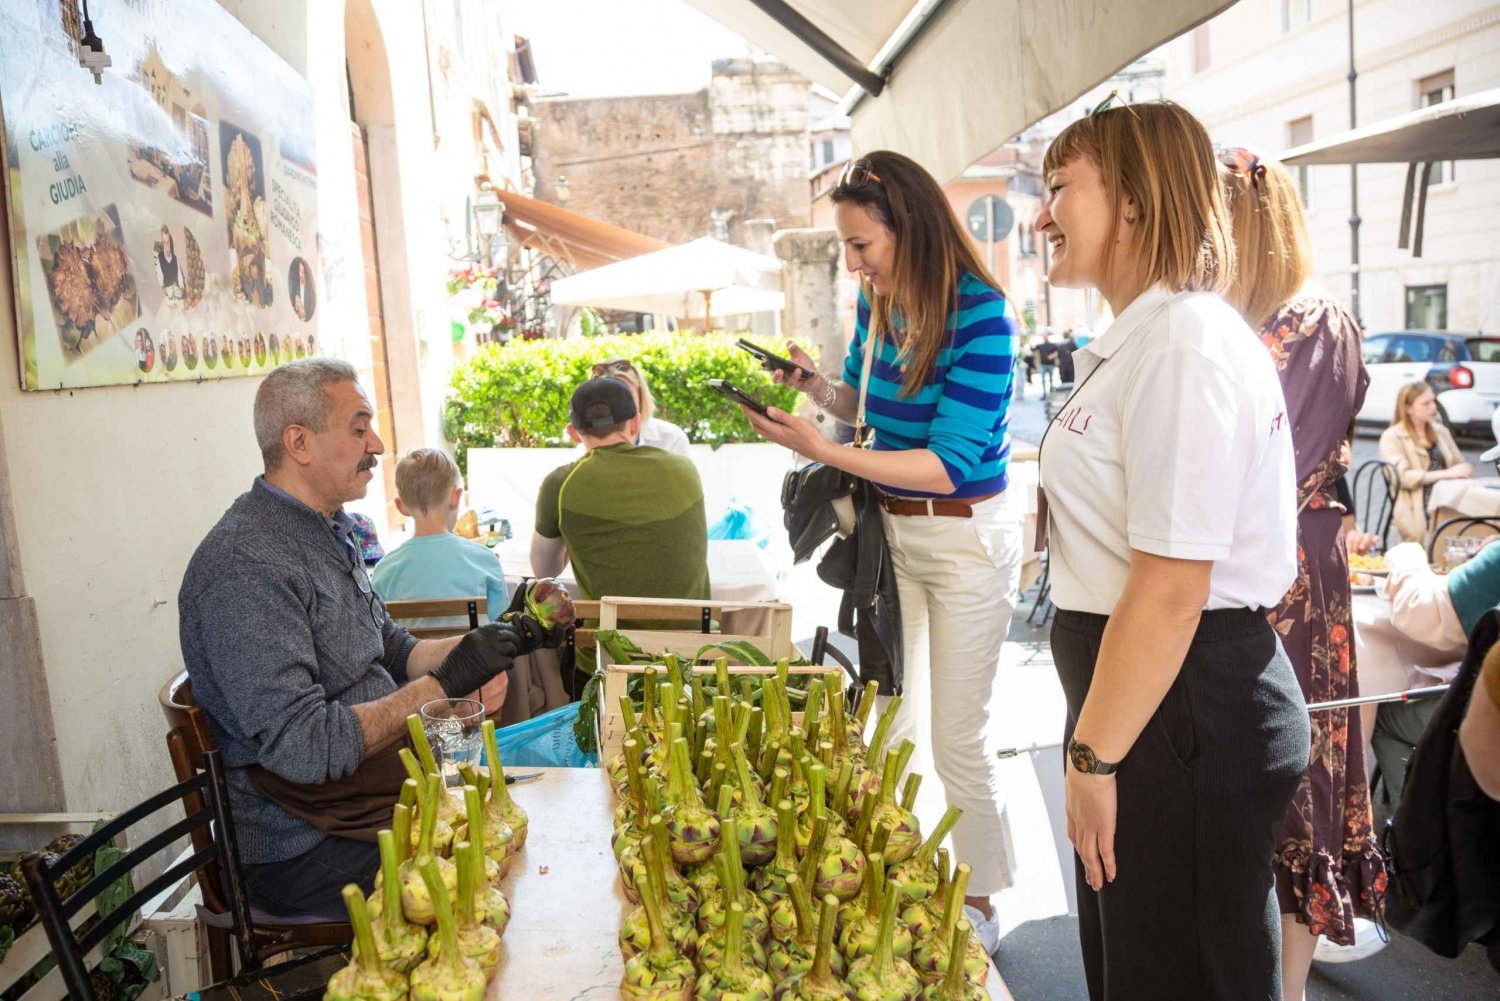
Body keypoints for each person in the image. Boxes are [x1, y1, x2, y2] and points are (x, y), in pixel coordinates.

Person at [1034, 98, 1307, 1000]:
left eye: (1060, 187)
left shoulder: (1183, 341)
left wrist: (1091, 757)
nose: (1041, 216)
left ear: (1139, 201)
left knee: (1176, 973)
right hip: (1153, 702)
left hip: (1178, 706)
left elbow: (1170, 588)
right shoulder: (1152, 334)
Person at [744, 150, 1022, 953]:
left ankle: (984, 898)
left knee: (957, 737)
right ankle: (899, 869)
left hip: (965, 536)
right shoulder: (879, 301)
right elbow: (869, 409)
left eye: (862, 244)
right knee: (890, 719)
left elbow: (949, 461)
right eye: (846, 248)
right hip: (895, 534)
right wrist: (812, 390)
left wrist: (822, 450)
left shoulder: (983, 313)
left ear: (913, 229)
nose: (853, 262)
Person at [179, 359, 547, 919]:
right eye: (358, 428)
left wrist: (491, 642)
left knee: (518, 834)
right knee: (491, 877)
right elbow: (307, 748)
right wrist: (441, 688)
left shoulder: (328, 528)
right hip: (297, 847)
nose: (376, 444)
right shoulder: (244, 567)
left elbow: (394, 652)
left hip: (368, 798)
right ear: (299, 442)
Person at [1220, 148, 1382, 987]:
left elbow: (1274, 473)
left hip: (1288, 573)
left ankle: (1286, 988)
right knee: (1267, 776)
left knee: (1297, 781)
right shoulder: (1253, 322)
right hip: (1263, 564)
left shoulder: (1313, 319)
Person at [531, 376, 709, 610]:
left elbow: (546, 573)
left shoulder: (561, 484)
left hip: (610, 645)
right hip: (696, 642)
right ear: (635, 423)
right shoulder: (684, 468)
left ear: (573, 433)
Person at [371, 448, 511, 715]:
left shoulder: (384, 570)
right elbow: (501, 632)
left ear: (400, 506)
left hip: (414, 704)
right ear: (456, 497)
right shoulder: (483, 560)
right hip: (477, 702)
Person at [1380, 381, 1470, 543]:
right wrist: (1447, 474)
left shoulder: (1441, 431)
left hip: (1446, 502)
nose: (1433, 407)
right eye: (1426, 403)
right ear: (1408, 408)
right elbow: (1402, 477)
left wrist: (1462, 469)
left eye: (1433, 401)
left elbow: (1458, 465)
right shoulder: (1392, 436)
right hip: (1415, 506)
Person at [589, 357, 690, 455]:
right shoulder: (587, 449)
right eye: (608, 399)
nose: (619, 405)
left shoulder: (671, 439)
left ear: (641, 398)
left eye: (627, 397)